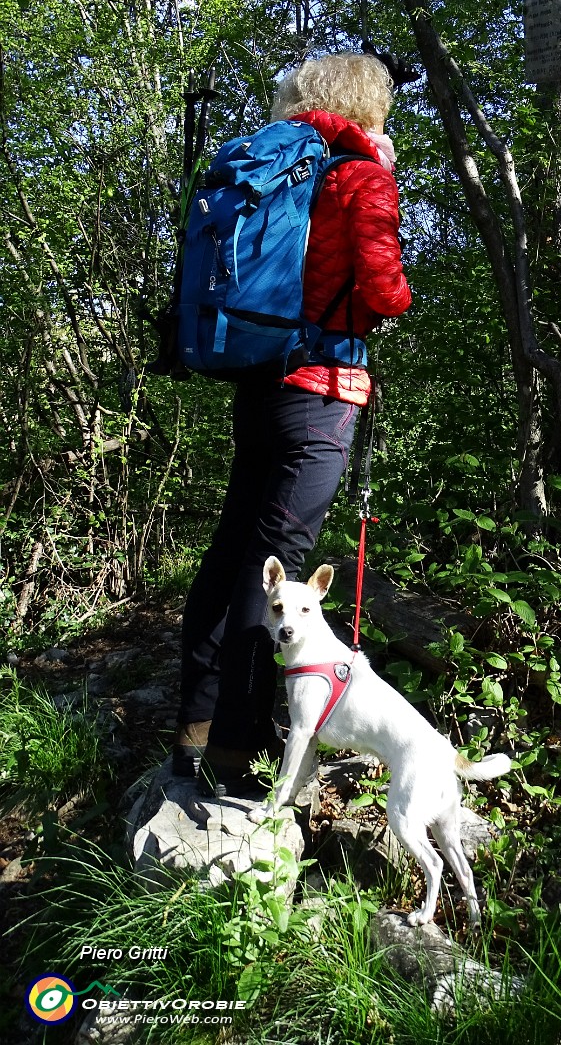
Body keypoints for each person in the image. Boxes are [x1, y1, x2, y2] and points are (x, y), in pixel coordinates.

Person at [173, 52, 411, 796]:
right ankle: (238, 751)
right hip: (321, 394)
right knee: (276, 561)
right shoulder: (357, 176)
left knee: (236, 548)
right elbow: (386, 292)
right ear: (369, 105)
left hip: (261, 383)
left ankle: (198, 726)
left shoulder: (278, 172)